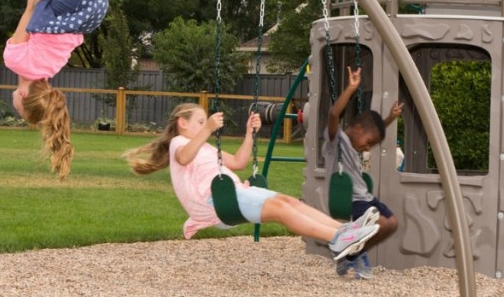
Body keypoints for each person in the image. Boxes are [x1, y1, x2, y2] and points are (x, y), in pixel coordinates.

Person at [124, 103, 380, 262]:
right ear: (182, 123)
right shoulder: (181, 144)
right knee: (282, 210)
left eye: (204, 122)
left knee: (287, 202)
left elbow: (237, 162)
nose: (205, 125)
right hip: (217, 201)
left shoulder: (203, 146)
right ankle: (337, 238)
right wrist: (208, 128)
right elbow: (183, 157)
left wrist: (249, 133)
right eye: (200, 121)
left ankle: (343, 230)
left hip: (232, 193)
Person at [5, 0, 141, 180]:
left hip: (93, 7)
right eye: (19, 110)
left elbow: (63, 28)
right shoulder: (15, 60)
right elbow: (30, 7)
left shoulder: (51, 69)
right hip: (73, 3)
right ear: (22, 96)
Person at [325, 66, 404, 280]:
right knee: (380, 224)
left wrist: (389, 118)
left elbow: (372, 131)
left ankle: (352, 255)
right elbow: (334, 115)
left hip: (364, 196)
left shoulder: (360, 138)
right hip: (349, 197)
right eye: (369, 143)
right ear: (357, 129)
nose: (368, 148)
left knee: (392, 223)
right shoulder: (336, 141)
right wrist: (351, 89)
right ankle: (355, 254)